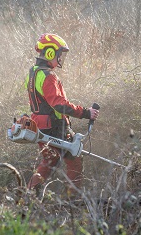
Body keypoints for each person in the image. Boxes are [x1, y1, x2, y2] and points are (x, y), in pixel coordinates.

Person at [24, 33, 99, 196]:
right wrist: (86, 112)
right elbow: (59, 104)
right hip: (54, 126)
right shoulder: (48, 76)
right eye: (59, 54)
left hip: (40, 125)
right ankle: (73, 201)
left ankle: (28, 196)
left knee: (49, 161)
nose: (60, 59)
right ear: (50, 53)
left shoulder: (33, 72)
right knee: (74, 159)